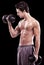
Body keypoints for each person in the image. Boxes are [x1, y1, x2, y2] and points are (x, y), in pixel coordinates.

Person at [6, 1, 41, 65]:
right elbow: (13, 35)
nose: (17, 14)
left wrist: (36, 53)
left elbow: (37, 39)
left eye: (18, 12)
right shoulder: (20, 23)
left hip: (29, 48)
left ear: (24, 10)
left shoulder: (34, 22)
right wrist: (9, 23)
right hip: (20, 48)